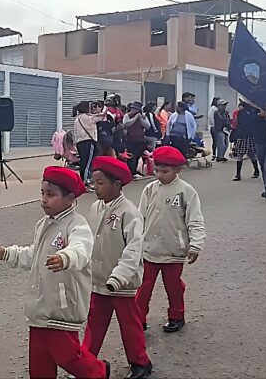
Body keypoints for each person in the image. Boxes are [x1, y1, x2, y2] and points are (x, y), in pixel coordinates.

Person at [0, 167, 109, 379]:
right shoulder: (43, 224)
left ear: (70, 198)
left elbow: (81, 248)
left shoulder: (77, 224)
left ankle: (99, 371)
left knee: (68, 357)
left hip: (62, 307)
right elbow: (35, 254)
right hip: (41, 306)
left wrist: (66, 257)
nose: (44, 199)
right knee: (39, 360)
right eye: (42, 193)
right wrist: (8, 254)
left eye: (51, 195)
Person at [84, 157, 152, 379]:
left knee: (129, 325)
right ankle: (85, 363)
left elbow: (133, 250)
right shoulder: (95, 208)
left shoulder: (129, 212)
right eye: (94, 182)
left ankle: (140, 362)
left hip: (121, 284)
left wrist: (119, 276)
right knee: (94, 325)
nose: (96, 188)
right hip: (98, 281)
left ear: (117, 184)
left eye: (101, 183)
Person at [135, 146, 205, 333]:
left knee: (173, 287)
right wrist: (134, 243)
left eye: (164, 171)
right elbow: (139, 218)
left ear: (178, 170)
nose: (159, 175)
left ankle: (176, 316)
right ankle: (138, 319)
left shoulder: (186, 191)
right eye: (156, 170)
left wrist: (195, 245)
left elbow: (195, 220)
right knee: (143, 288)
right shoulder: (149, 189)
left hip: (174, 250)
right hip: (149, 249)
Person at [230, 103, 260, 181]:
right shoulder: (241, 113)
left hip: (248, 136)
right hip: (242, 136)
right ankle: (238, 174)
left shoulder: (251, 113)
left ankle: (256, 171)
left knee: (251, 155)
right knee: (241, 155)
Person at [73, 101, 101, 185]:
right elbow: (102, 117)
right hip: (87, 142)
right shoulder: (87, 117)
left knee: (84, 162)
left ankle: (85, 180)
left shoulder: (78, 118)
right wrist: (99, 110)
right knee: (87, 163)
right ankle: (85, 181)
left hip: (80, 143)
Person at [123, 102, 150, 177]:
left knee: (138, 156)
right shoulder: (127, 115)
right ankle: (130, 172)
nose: (133, 110)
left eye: (135, 109)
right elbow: (126, 124)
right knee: (131, 156)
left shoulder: (143, 117)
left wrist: (140, 118)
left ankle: (134, 171)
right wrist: (135, 118)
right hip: (130, 140)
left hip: (140, 140)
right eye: (133, 108)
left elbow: (147, 126)